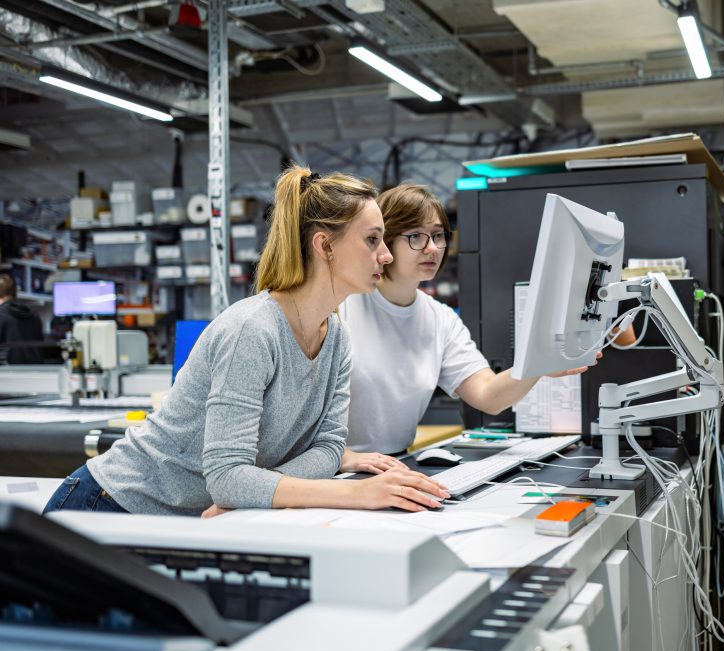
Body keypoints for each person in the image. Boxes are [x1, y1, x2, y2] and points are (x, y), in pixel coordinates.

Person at [43, 166, 448, 516]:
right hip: (110, 505)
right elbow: (226, 477)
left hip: (191, 517)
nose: (387, 256)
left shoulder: (336, 337)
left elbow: (327, 450)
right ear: (324, 246)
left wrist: (251, 492)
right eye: (373, 240)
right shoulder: (253, 330)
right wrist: (351, 493)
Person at [338, 183, 593, 462]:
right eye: (415, 237)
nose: (432, 248)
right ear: (383, 241)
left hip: (397, 463)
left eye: (437, 235)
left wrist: (537, 364)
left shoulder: (440, 319)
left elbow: (488, 395)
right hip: (342, 467)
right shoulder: (343, 308)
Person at [0, 273, 44, 365]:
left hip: (8, 373)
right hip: (36, 371)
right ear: (15, 292)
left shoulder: (1, 314)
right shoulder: (33, 314)